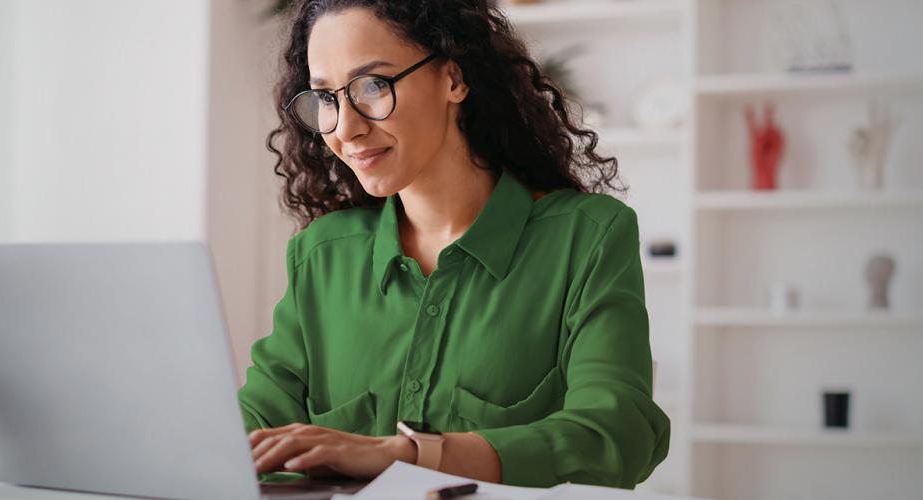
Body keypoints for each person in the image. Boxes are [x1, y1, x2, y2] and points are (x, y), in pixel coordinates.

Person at [239, 0, 669, 489]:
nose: (346, 127)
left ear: (453, 79)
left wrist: (405, 455)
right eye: (327, 98)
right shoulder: (321, 256)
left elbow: (618, 435)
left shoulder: (586, 237)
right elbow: (252, 433)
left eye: (374, 86)